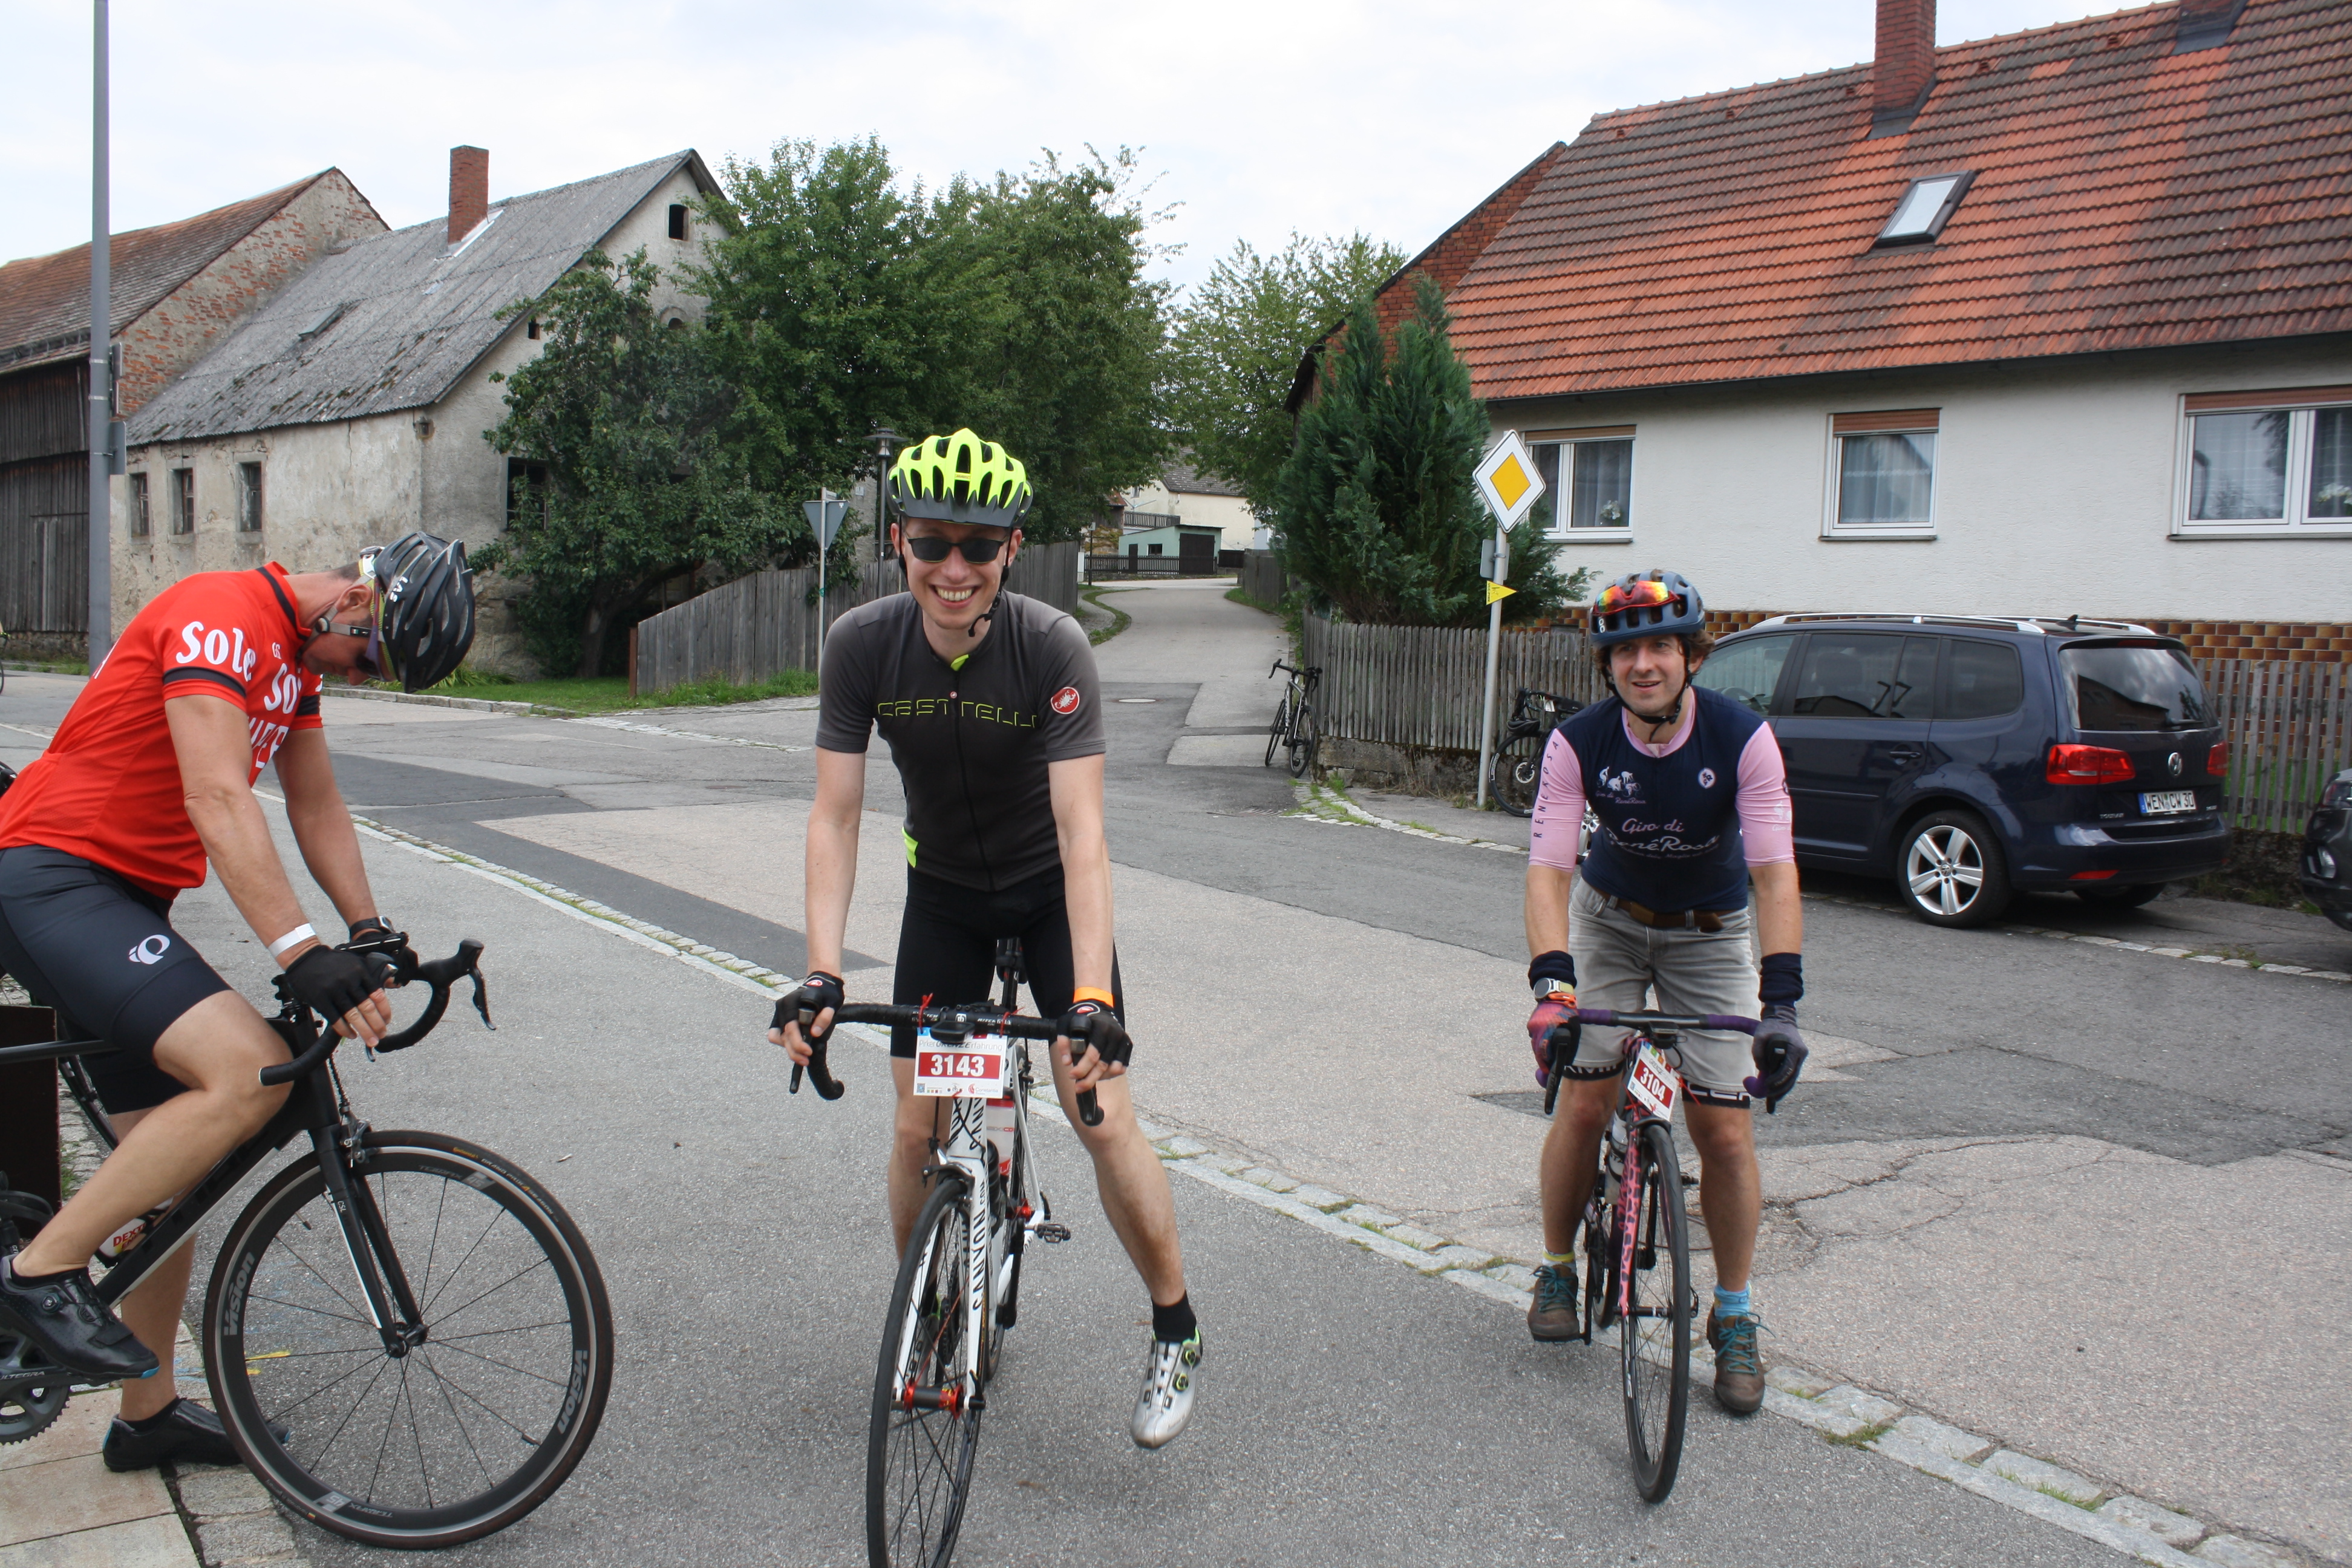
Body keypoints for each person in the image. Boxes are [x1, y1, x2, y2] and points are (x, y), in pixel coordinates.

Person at [0, 535, 475, 1469]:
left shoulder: (296, 665)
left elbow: (317, 805)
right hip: (56, 878)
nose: (359, 676)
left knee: (171, 1173)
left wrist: (367, 929)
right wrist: (300, 951)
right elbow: (217, 796)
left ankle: (146, 1418)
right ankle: (38, 1275)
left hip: (122, 903)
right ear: (357, 601)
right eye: (371, 659)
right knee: (251, 1071)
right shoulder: (219, 618)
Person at [767, 429, 1201, 1448]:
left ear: (1012, 548)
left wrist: (1089, 999)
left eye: (978, 545)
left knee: (1101, 1114)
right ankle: (931, 1310)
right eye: (932, 543)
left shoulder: (1051, 647)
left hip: (1048, 897)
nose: (953, 569)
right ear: (899, 542)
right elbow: (835, 817)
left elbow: (1083, 836)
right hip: (947, 900)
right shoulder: (861, 645)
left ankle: (1176, 1325)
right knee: (914, 1128)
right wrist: (822, 972)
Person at [1520, 570, 1808, 1414]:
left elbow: (1774, 873)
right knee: (1583, 1102)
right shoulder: (1577, 743)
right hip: (1609, 922)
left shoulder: (1743, 739)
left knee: (1724, 1132)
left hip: (1710, 933)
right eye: (1625, 651)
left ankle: (1734, 1315)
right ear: (1607, 665)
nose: (1642, 664)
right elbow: (1548, 871)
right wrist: (1553, 986)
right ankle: (1557, 1266)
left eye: (1660, 647)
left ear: (1691, 657)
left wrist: (1782, 1006)